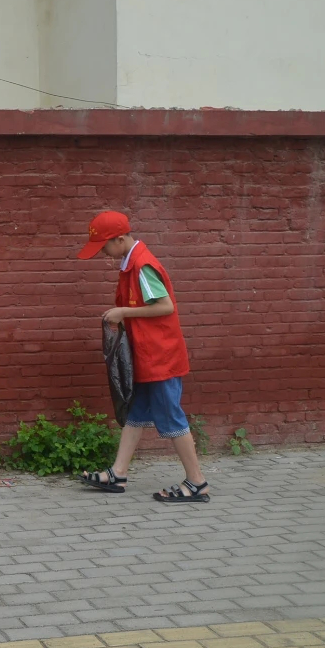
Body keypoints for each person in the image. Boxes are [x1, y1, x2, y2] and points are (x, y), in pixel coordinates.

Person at [77, 211, 209, 503]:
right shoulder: (131, 264)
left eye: (105, 247)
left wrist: (124, 312)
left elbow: (165, 307)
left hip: (160, 358)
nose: (104, 254)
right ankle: (118, 473)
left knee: (171, 416)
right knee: (136, 413)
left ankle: (197, 482)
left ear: (120, 239)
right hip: (149, 355)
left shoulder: (142, 266)